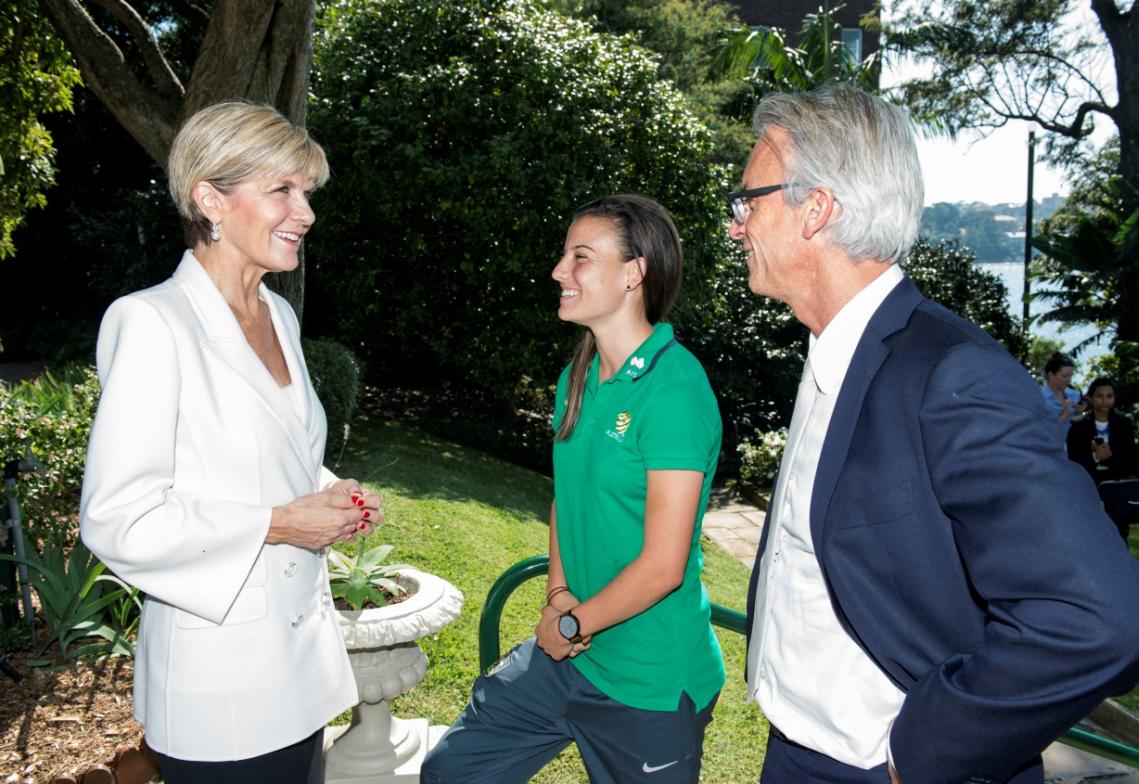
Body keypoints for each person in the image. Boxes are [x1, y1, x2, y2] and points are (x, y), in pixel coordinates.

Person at [730, 84, 1139, 784]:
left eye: (748, 201)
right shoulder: (834, 350)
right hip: (799, 751)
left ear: (817, 210)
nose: (736, 224)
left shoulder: (952, 374)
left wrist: (926, 749)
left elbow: (1102, 620)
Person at [79, 102, 382, 783]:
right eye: (282, 190)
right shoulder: (151, 322)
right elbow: (118, 516)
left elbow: (278, 457)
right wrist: (279, 524)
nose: (304, 213)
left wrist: (328, 489)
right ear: (210, 198)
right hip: (221, 689)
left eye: (306, 193)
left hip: (299, 672)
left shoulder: (277, 313)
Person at [421, 195, 725, 783]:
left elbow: (663, 566)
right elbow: (567, 498)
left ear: (635, 273)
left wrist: (569, 626)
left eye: (580, 257)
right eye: (565, 256)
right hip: (570, 651)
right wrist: (559, 596)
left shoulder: (675, 391)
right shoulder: (578, 376)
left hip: (649, 683)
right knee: (452, 772)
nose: (560, 271)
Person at [1066, 377, 1139, 538]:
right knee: (1090, 536)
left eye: (1109, 396)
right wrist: (1095, 456)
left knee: (1119, 535)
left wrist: (1107, 457)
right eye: (1100, 396)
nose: (1105, 400)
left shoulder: (1124, 424)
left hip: (1117, 486)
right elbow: (1073, 459)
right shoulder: (1079, 426)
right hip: (1089, 488)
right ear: (1091, 398)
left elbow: (1131, 459)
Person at [1041, 352, 1083, 426]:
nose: (1069, 380)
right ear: (1051, 375)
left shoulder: (1075, 395)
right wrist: (1065, 414)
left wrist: (1079, 412)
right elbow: (1043, 429)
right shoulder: (1040, 398)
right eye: (1064, 376)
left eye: (1070, 376)